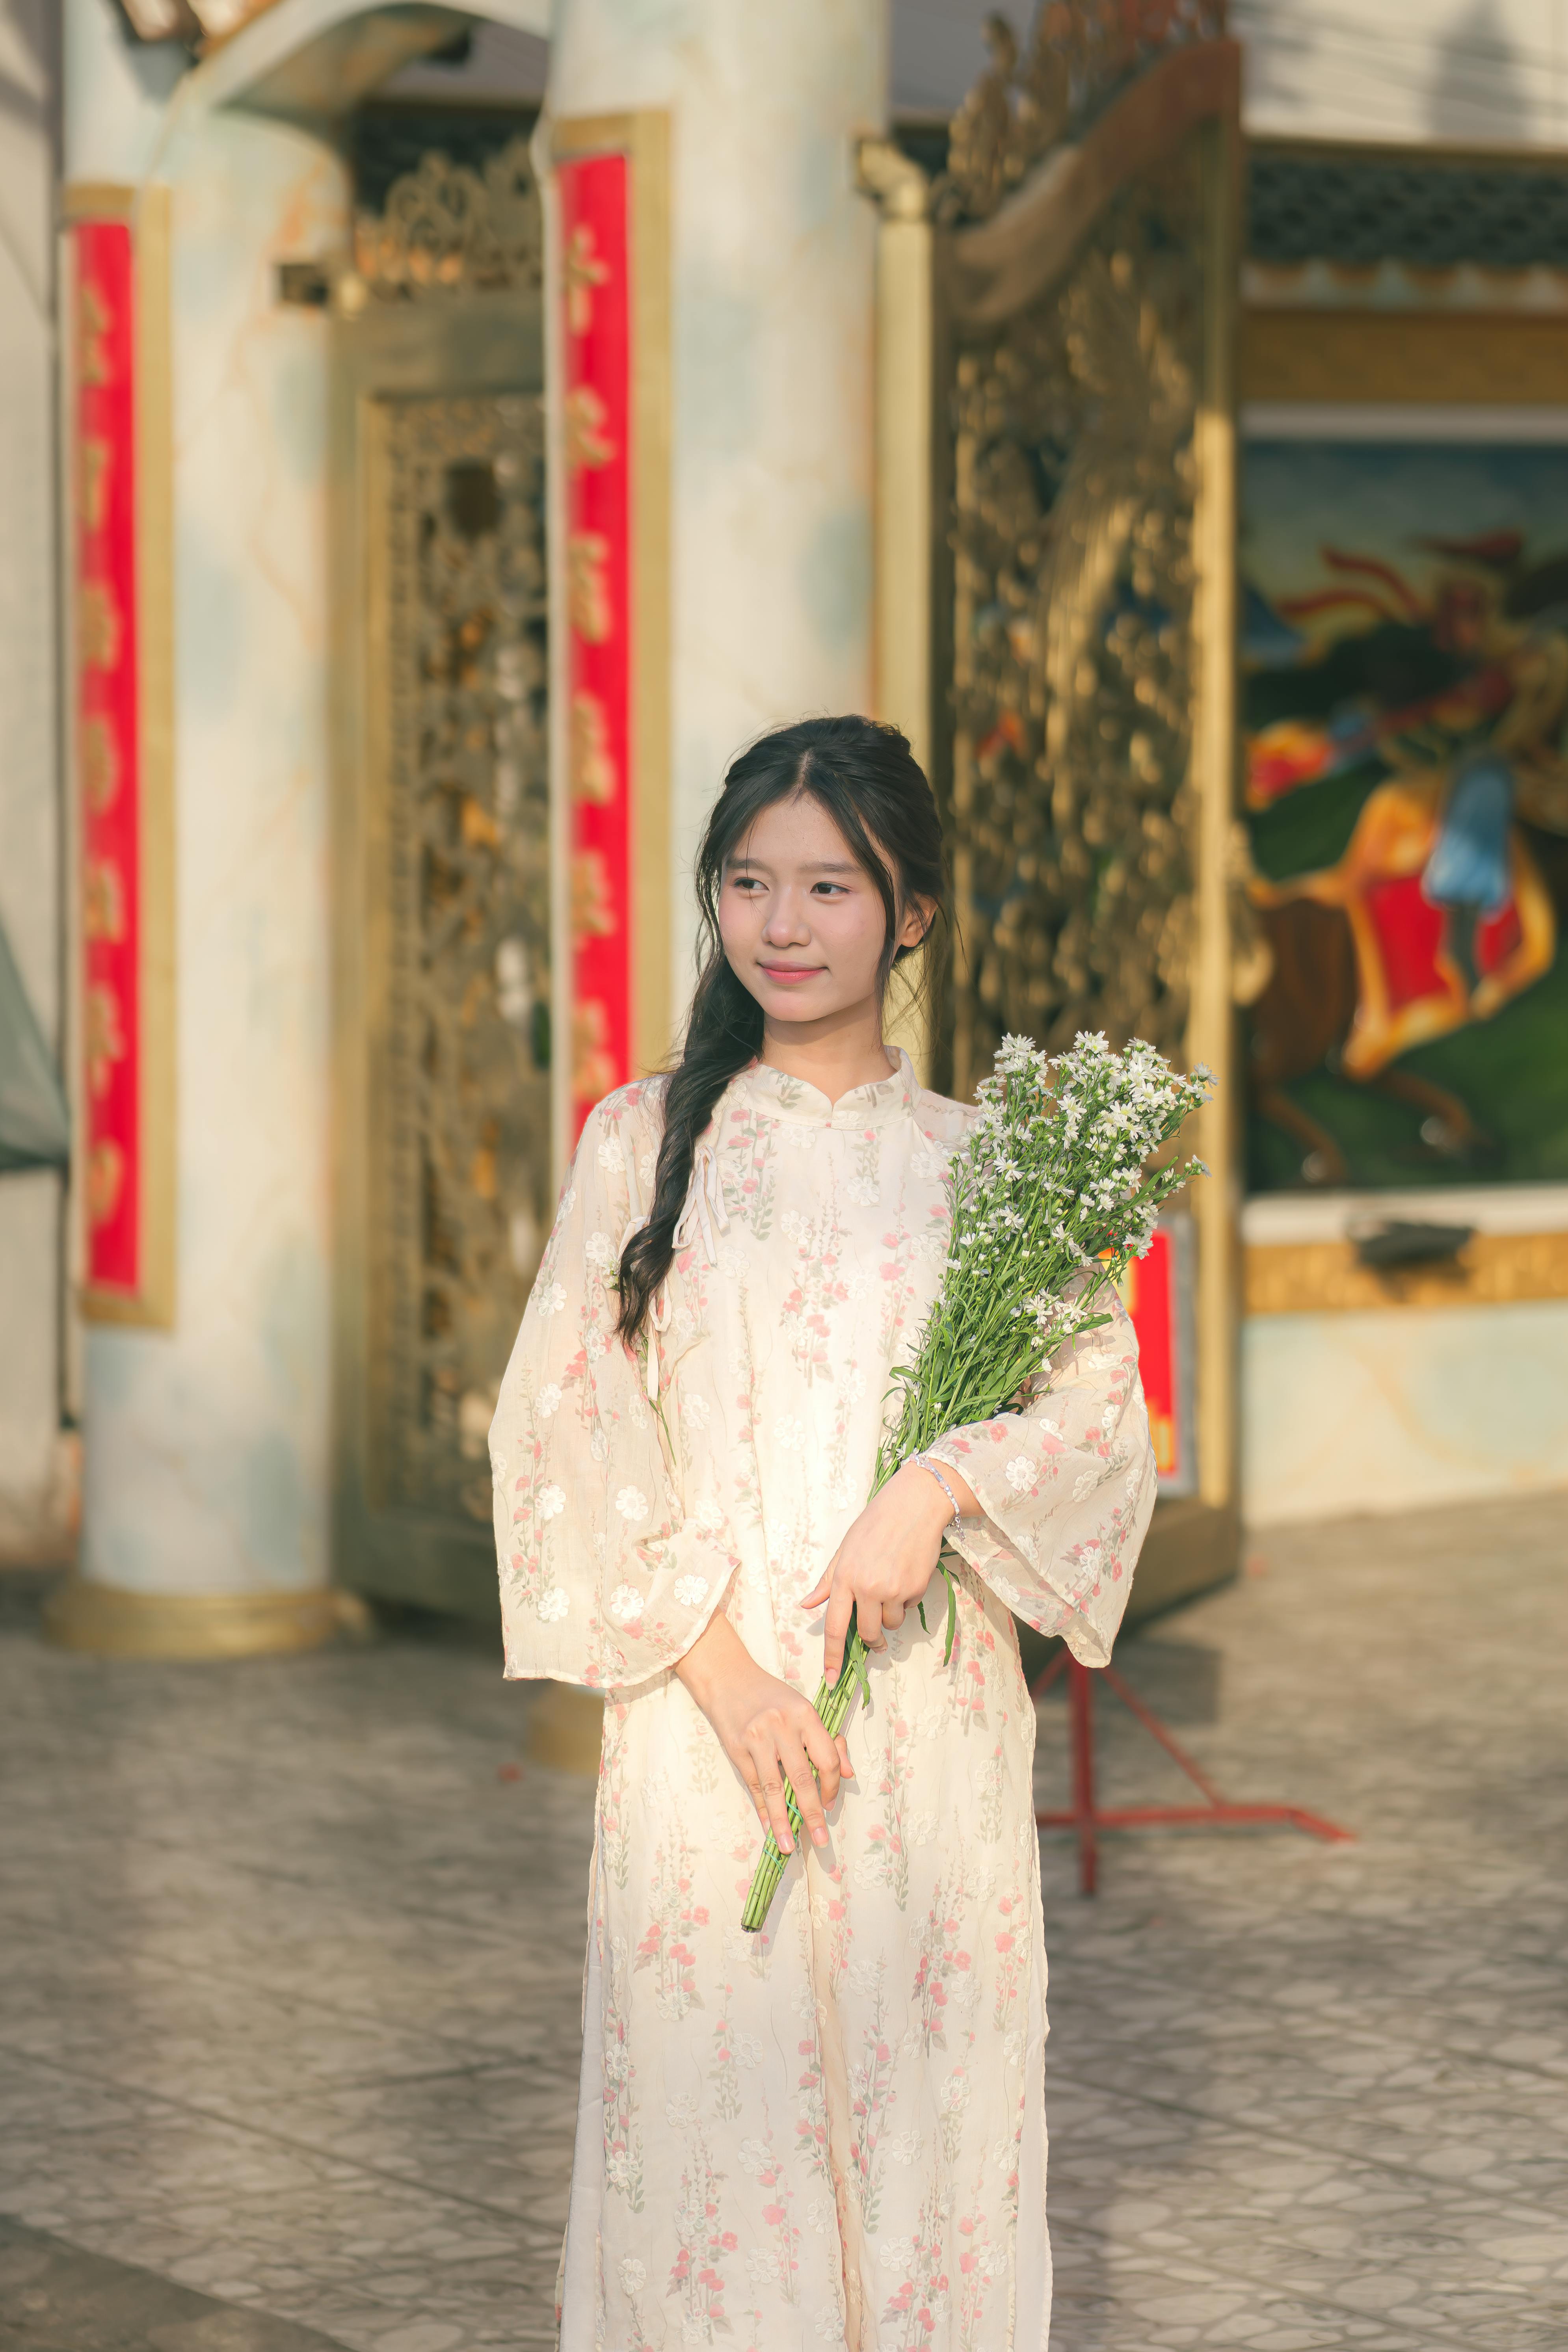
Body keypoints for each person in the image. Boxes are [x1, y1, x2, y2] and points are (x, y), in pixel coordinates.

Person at [489, 715, 1156, 2352]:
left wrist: (930, 1492)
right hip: (705, 1726)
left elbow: (1095, 1423)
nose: (782, 926)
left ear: (909, 911)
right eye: (747, 884)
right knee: (719, 2140)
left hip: (924, 1719)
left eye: (830, 887)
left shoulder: (989, 1168)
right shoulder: (642, 1143)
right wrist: (731, 1687)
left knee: (931, 2119)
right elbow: (560, 1432)